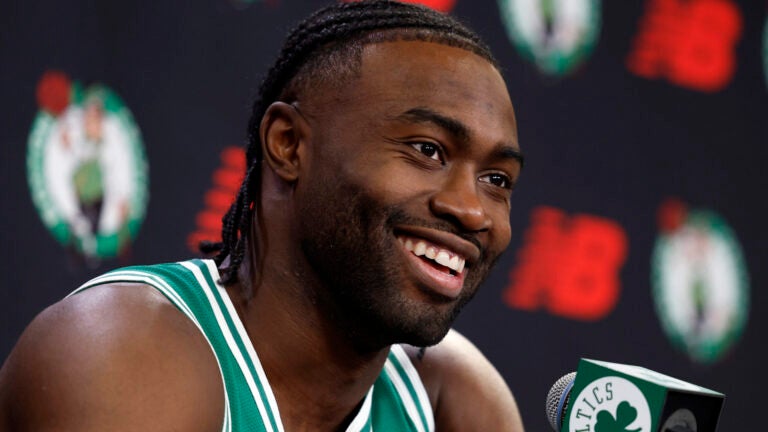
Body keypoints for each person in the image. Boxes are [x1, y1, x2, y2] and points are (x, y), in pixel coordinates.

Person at [0, 1, 525, 430]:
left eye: (497, 180)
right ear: (289, 144)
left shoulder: (450, 401)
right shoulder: (121, 353)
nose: (472, 210)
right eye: (427, 150)